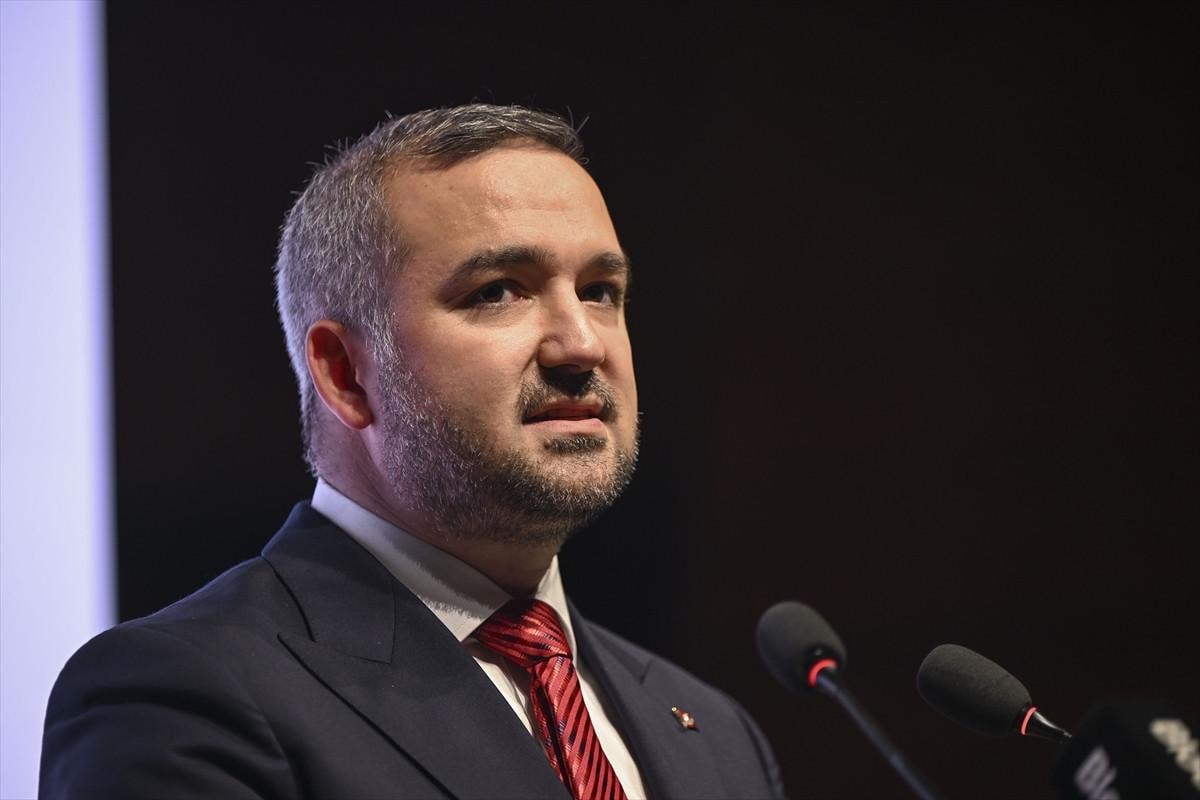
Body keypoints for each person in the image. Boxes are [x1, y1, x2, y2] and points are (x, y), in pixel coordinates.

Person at [40, 104, 786, 800]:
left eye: (600, 290)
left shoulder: (720, 741)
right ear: (345, 372)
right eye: (498, 291)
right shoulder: (181, 697)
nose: (582, 344)